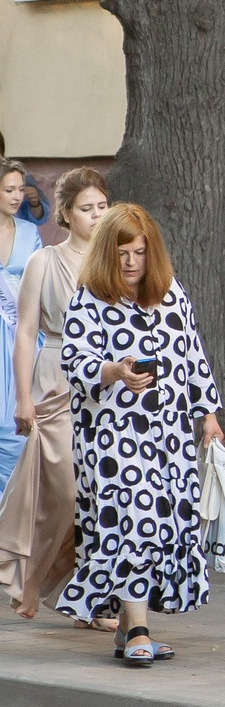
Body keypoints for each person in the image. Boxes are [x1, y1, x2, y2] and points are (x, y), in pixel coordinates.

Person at [54, 205, 225, 665]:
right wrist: (115, 371)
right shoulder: (89, 298)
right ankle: (140, 630)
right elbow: (75, 362)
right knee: (132, 522)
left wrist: (208, 412)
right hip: (112, 437)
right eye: (123, 252)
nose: (132, 262)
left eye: (140, 252)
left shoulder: (171, 294)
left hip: (168, 434)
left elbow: (193, 354)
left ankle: (130, 630)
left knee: (160, 525)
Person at [0, 169, 112, 621]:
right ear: (65, 214)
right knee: (64, 491)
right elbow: (26, 334)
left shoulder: (118, 259)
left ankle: (93, 594)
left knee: (104, 495)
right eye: (87, 209)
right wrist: (23, 398)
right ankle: (39, 578)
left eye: (103, 206)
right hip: (57, 379)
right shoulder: (44, 262)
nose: (98, 216)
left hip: (109, 386)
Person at [0, 161, 41, 495]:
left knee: (20, 426)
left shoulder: (30, 232)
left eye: (19, 189)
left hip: (23, 337)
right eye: (8, 189)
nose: (17, 196)